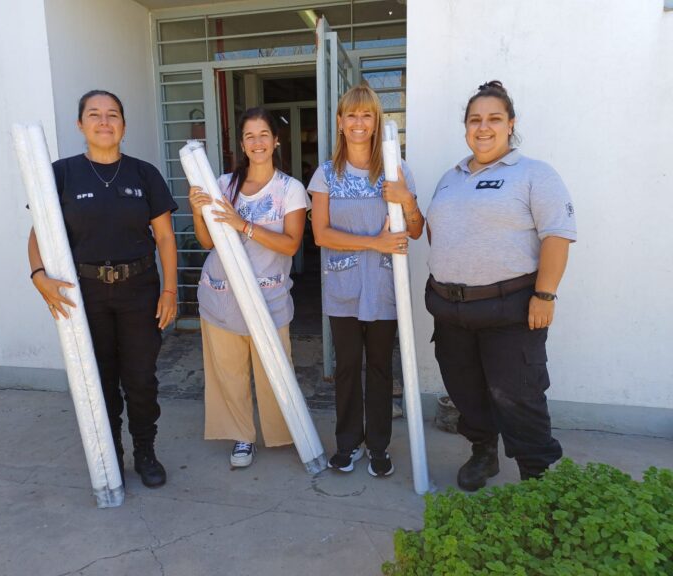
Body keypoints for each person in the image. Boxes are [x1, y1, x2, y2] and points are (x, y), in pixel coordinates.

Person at [425, 80, 577, 491]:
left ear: (510, 124)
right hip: (451, 310)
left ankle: (538, 480)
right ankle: (483, 454)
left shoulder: (534, 174)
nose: (484, 127)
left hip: (510, 309)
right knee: (466, 393)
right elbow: (439, 232)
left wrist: (545, 294)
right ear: (466, 128)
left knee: (519, 397)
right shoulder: (449, 177)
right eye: (475, 119)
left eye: (494, 118)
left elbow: (557, 236)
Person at [27, 90, 178, 488]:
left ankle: (145, 451)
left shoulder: (144, 174)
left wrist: (170, 291)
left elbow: (164, 238)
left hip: (139, 292)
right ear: (80, 125)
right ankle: (111, 453)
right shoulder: (60, 173)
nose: (104, 121)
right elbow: (39, 232)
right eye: (94, 114)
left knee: (141, 379)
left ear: (124, 126)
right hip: (86, 294)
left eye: (113, 115)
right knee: (100, 378)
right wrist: (39, 275)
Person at [309, 84, 424, 477]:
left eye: (367, 115)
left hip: (384, 288)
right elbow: (321, 234)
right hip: (342, 289)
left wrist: (406, 199)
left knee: (379, 367)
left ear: (376, 123)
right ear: (340, 123)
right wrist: (373, 242)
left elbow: (415, 230)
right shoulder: (326, 174)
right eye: (351, 115)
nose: (359, 123)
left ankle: (378, 445)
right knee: (347, 366)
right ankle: (347, 443)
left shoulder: (395, 170)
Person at [188, 107, 308, 468]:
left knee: (275, 369)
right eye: (249, 136)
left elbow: (290, 244)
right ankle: (242, 436)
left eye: (263, 135)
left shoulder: (291, 189)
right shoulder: (224, 184)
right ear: (242, 144)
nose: (257, 142)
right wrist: (197, 210)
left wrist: (244, 225)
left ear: (276, 141)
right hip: (221, 296)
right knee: (229, 371)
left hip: (268, 298)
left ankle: (286, 432)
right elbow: (207, 241)